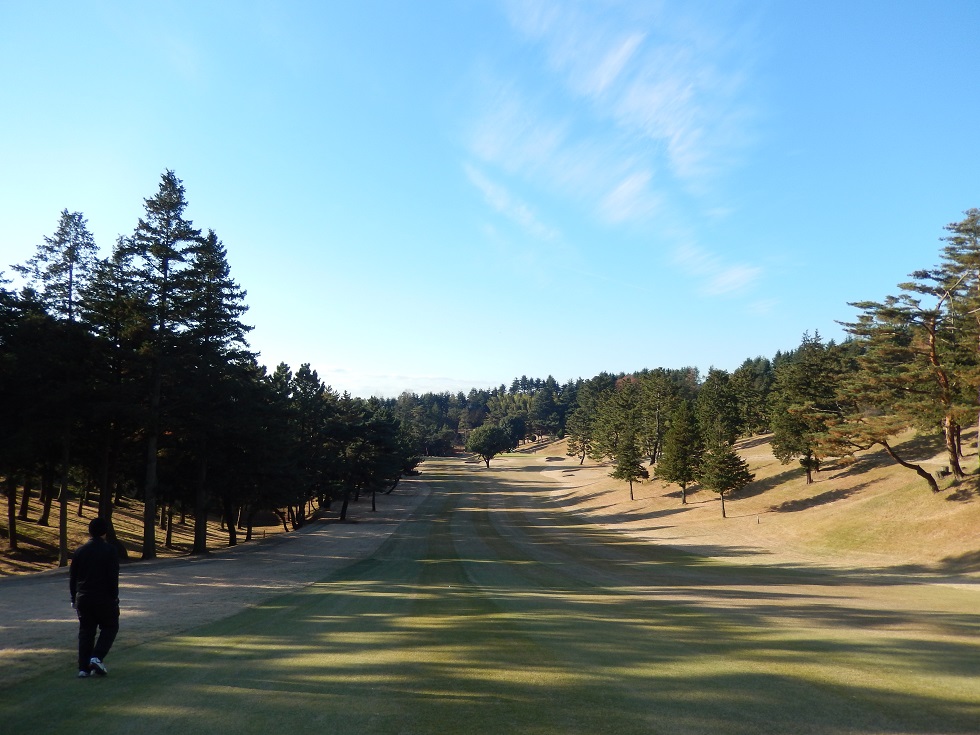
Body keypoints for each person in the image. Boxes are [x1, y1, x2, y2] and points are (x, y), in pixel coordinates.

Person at [69, 516, 120, 678]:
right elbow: (113, 577)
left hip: (83, 597)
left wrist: (73, 598)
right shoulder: (110, 550)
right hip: (103, 597)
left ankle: (83, 668)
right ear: (105, 532)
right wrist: (114, 596)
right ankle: (97, 657)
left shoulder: (80, 551)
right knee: (111, 626)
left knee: (86, 632)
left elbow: (73, 578)